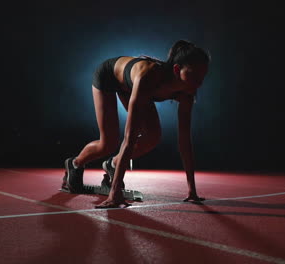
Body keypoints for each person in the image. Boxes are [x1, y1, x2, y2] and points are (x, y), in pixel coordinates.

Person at [62, 40, 210, 208]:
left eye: (203, 77)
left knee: (153, 137)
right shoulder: (149, 76)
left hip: (131, 85)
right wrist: (114, 193)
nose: (200, 83)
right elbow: (129, 136)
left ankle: (113, 164)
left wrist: (192, 190)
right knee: (109, 143)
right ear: (177, 70)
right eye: (195, 76)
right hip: (109, 76)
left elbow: (184, 141)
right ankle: (75, 163)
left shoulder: (187, 93)